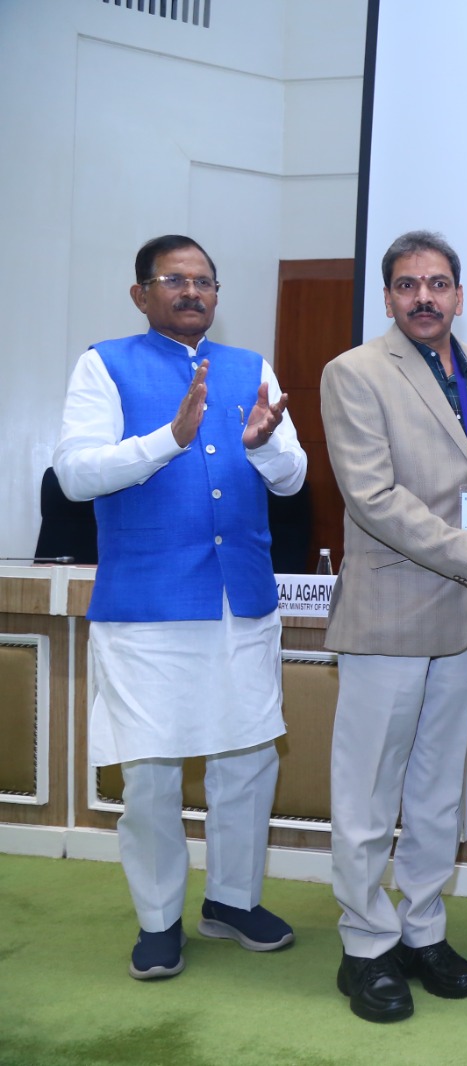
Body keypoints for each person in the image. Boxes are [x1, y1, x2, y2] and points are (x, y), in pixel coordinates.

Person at [53, 233, 306, 979]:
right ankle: (159, 919)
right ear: (141, 293)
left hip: (240, 600)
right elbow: (74, 475)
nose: (193, 291)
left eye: (204, 281)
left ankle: (232, 901)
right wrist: (167, 439)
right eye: (174, 279)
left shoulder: (250, 368)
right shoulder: (103, 364)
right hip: (148, 605)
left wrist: (261, 445)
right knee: (152, 774)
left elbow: (291, 478)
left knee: (247, 758)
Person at [320, 230, 467, 1023]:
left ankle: (422, 930)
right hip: (389, 615)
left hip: (463, 616)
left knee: (434, 796)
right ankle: (365, 945)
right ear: (388, 296)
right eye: (407, 284)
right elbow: (375, 500)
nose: (424, 296)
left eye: (438, 283)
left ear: (458, 293)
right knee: (367, 795)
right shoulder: (354, 372)